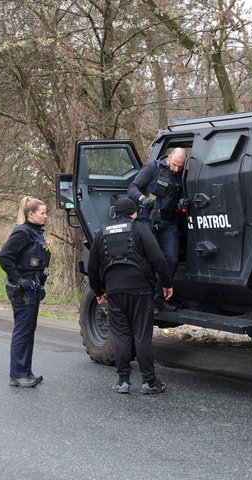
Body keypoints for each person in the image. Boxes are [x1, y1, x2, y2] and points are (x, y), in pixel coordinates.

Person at [87, 196, 173, 394]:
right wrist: (167, 283)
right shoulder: (139, 228)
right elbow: (158, 257)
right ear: (134, 213)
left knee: (121, 335)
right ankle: (149, 382)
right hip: (140, 290)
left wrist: (99, 291)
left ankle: (123, 380)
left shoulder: (102, 232)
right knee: (141, 335)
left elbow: (93, 266)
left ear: (115, 213)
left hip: (114, 292)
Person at [0, 196, 51, 388]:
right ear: (31, 214)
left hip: (33, 287)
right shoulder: (23, 233)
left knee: (28, 331)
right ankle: (18, 374)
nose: (45, 216)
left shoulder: (34, 232)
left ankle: (25, 372)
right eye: (42, 213)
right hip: (23, 289)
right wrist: (18, 279)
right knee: (22, 331)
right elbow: (5, 257)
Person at [127, 147, 186, 312]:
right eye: (174, 165)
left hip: (168, 221)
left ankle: (159, 299)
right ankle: (148, 301)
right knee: (152, 259)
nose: (176, 169)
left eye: (180, 167)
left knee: (172, 259)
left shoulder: (182, 175)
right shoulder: (152, 168)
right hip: (148, 218)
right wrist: (142, 198)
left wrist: (183, 203)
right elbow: (132, 188)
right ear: (169, 157)